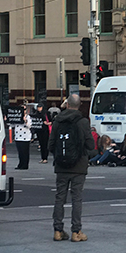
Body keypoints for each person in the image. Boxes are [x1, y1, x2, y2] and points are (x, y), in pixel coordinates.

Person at [48, 94, 95, 242]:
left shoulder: (57, 121)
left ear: (67, 104)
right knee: (77, 199)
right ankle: (76, 231)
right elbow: (91, 145)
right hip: (79, 167)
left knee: (59, 197)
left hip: (61, 166)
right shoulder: (83, 122)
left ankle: (58, 230)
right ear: (79, 105)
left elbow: (50, 145)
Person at [14, 105, 32, 170]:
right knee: (20, 152)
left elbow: (29, 126)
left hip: (25, 137)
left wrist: (25, 121)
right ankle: (20, 164)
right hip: (18, 136)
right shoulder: (17, 116)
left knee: (25, 152)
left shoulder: (28, 117)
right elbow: (12, 124)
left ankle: (25, 164)